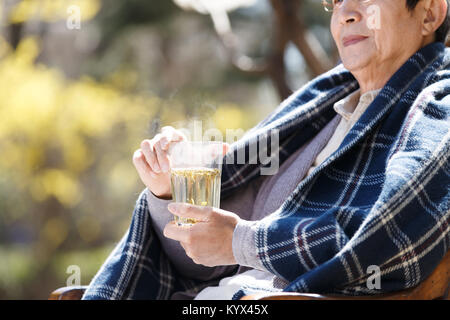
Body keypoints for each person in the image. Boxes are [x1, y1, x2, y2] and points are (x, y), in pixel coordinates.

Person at [82, 0, 450, 300]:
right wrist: (167, 193)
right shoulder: (315, 114)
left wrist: (241, 242)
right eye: (336, 1)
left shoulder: (439, 105)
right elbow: (201, 264)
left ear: (430, 13)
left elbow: (388, 237)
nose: (346, 13)